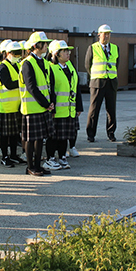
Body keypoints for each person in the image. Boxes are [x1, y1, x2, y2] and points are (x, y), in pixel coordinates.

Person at [20, 31, 56, 176]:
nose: (46, 46)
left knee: (40, 138)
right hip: (32, 107)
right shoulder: (27, 63)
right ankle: (30, 166)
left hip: (43, 107)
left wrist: (51, 102)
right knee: (31, 139)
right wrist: (46, 103)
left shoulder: (45, 62)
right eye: (44, 43)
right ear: (36, 45)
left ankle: (37, 165)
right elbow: (31, 87)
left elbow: (49, 84)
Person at [47, 40, 81, 170]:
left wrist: (78, 106)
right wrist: (52, 107)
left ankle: (62, 156)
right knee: (53, 136)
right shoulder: (51, 67)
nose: (68, 54)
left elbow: (75, 87)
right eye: (65, 51)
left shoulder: (70, 66)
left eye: (68, 51)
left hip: (69, 109)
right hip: (57, 110)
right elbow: (50, 89)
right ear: (56, 54)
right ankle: (50, 158)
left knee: (64, 136)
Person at [85, 24, 119, 142]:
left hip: (111, 82)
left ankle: (111, 132)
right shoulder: (93, 48)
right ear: (99, 35)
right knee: (94, 109)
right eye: (105, 34)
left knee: (111, 110)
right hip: (97, 82)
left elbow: (116, 64)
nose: (107, 36)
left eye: (109, 34)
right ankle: (91, 134)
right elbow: (87, 65)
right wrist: (95, 76)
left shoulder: (115, 48)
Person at [0, 41, 25, 167]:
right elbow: (8, 84)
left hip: (17, 106)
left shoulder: (17, 65)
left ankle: (13, 155)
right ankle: (5, 156)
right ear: (8, 53)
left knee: (14, 133)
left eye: (20, 53)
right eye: (15, 53)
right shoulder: (2, 67)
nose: (18, 56)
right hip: (6, 107)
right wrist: (22, 83)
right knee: (5, 134)